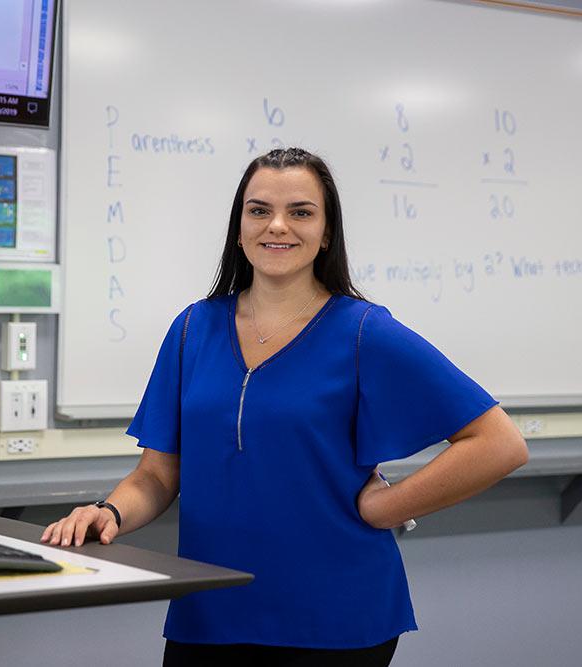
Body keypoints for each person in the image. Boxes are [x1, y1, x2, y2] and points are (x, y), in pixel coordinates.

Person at [42, 148, 529, 666]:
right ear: (239, 228)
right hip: (210, 612)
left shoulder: (365, 331)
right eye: (258, 210)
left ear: (326, 233)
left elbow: (499, 444)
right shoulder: (192, 329)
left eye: (301, 211)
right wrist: (109, 511)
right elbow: (158, 476)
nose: (277, 226)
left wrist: (385, 507)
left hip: (336, 619)